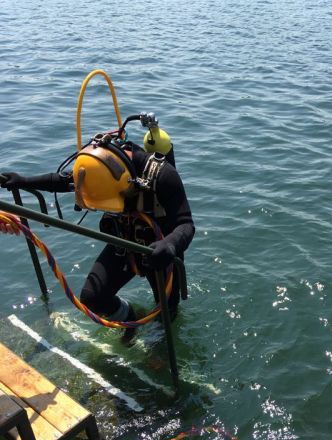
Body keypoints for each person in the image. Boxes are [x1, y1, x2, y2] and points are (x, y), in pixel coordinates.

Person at [0, 125, 195, 341]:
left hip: (160, 250)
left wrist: (170, 245)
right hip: (124, 242)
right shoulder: (97, 170)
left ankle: (159, 345)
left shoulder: (164, 175)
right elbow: (64, 181)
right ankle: (130, 317)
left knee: (166, 311)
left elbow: (186, 224)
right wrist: (23, 181)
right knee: (92, 298)